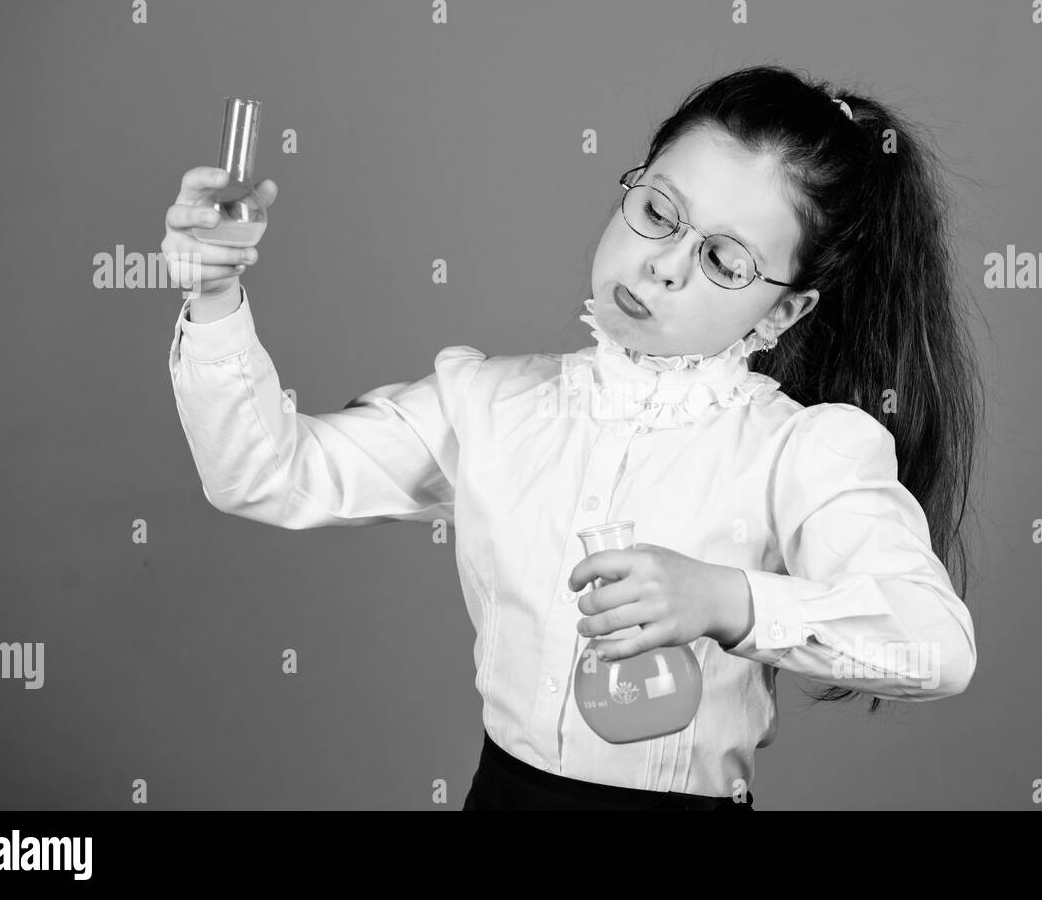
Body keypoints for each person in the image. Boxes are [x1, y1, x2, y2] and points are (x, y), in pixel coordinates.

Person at [162, 64, 984, 811]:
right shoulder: (486, 403)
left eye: (725, 261)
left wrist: (725, 599)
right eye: (659, 211)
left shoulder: (799, 450)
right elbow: (264, 473)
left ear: (781, 310)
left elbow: (935, 648)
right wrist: (214, 296)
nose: (663, 265)